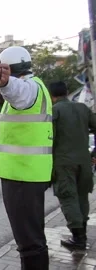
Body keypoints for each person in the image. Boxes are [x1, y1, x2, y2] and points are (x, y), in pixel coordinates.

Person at [0, 46, 53, 269]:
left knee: (29, 244)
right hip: (28, 175)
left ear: (10, 68)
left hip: (22, 176)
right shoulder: (36, 87)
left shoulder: (27, 88)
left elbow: (20, 93)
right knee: (31, 240)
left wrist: (6, 85)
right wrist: (1, 93)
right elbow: (20, 100)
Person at [49, 81, 96, 249]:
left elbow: (50, 140)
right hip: (84, 162)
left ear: (52, 95)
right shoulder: (83, 109)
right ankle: (81, 233)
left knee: (68, 197)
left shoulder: (55, 111)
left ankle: (79, 239)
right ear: (67, 91)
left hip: (64, 163)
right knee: (82, 197)